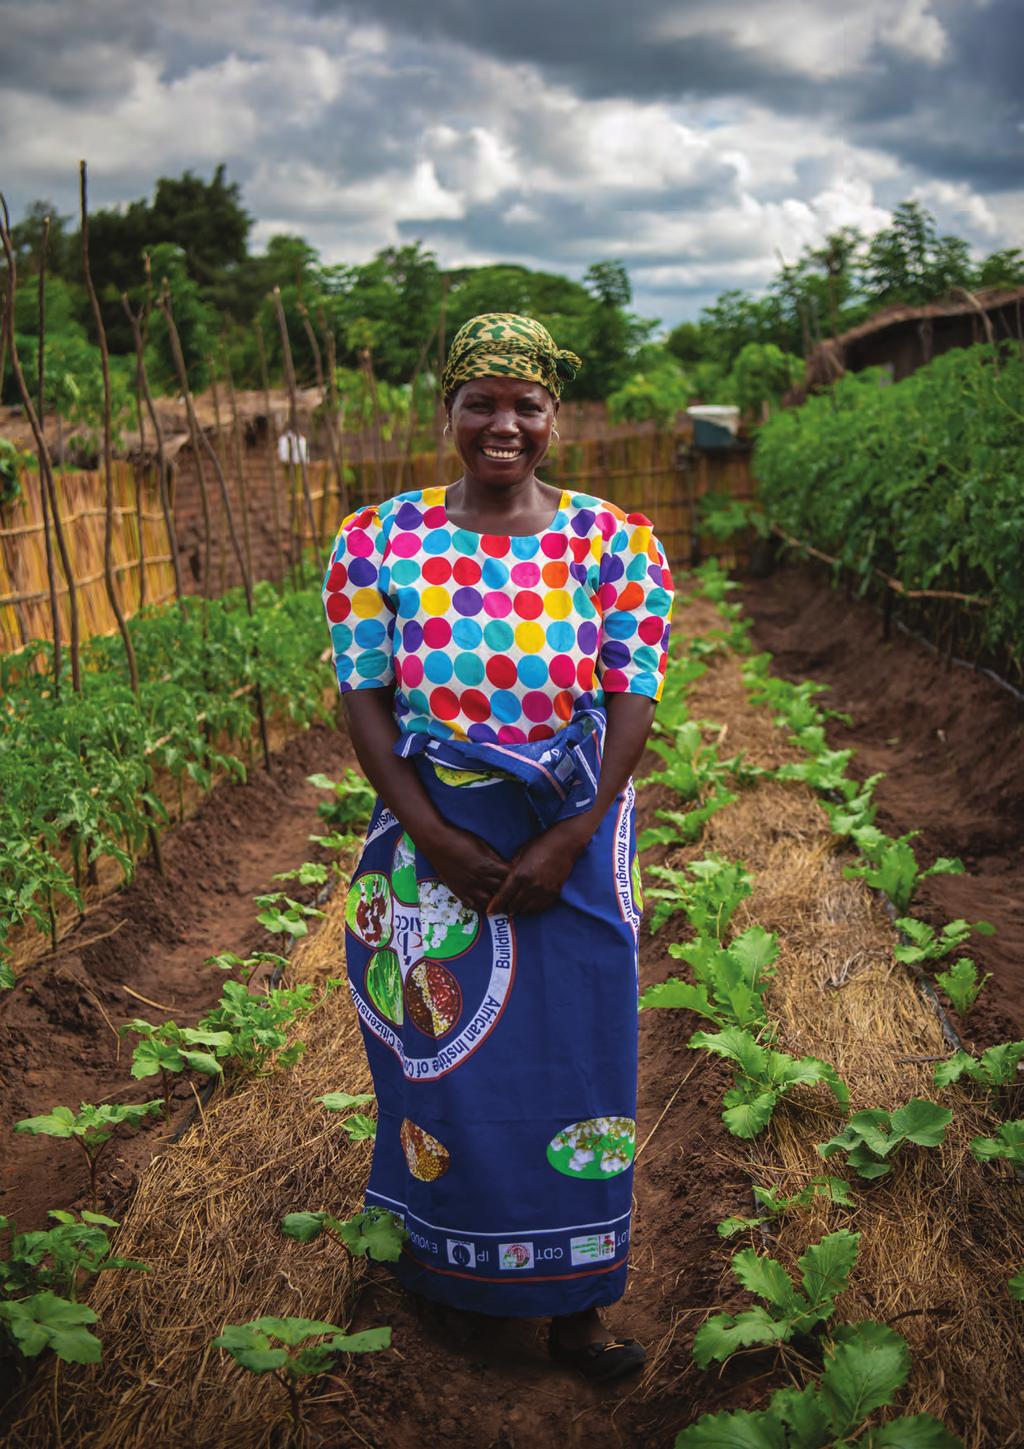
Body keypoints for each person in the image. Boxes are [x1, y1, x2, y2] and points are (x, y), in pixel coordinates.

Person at [322, 313, 673, 1382]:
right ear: (448, 412)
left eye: (525, 404)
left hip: (571, 837)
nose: (503, 424)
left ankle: (576, 1306)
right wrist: (432, 836)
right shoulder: (377, 538)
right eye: (481, 401)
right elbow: (364, 697)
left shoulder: (615, 540)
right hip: (434, 841)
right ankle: (450, 1276)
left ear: (553, 414)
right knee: (444, 1068)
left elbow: (630, 695)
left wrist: (573, 832)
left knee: (583, 1063)